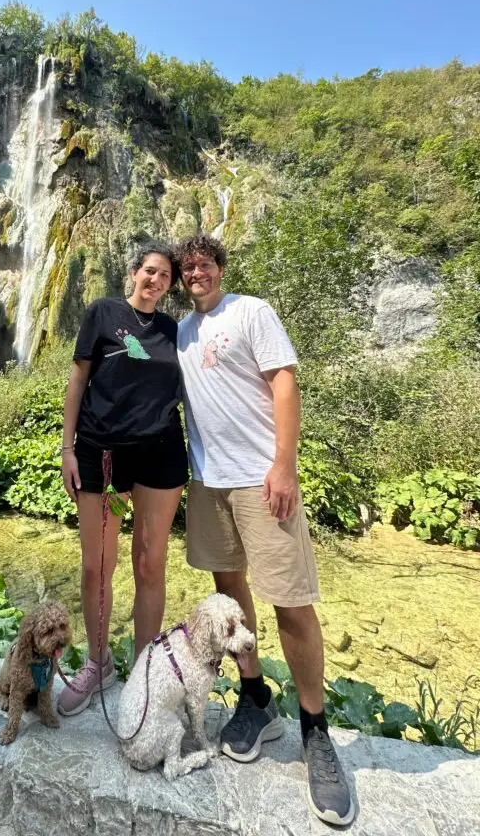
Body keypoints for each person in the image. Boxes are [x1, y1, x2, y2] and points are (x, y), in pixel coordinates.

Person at [175, 234, 354, 827]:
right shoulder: (180, 331)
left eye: (203, 264)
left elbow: (283, 382)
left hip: (260, 480)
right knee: (232, 599)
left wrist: (284, 463)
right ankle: (255, 696)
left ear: (220, 269)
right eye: (186, 268)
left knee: (292, 603)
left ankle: (316, 730)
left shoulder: (251, 311)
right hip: (208, 482)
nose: (195, 273)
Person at [57, 242, 188, 716]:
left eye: (165, 276)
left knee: (150, 564)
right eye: (150, 271)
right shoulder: (103, 313)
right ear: (134, 273)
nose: (156, 280)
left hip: (159, 453)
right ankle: (98, 662)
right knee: (97, 564)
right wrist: (67, 448)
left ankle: (144, 672)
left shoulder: (176, 329)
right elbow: (78, 380)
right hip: (101, 453)